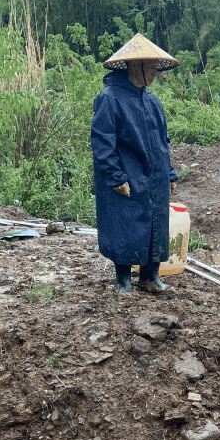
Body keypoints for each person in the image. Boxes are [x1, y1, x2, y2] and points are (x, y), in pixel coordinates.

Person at [91, 33, 180, 293]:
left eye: (156, 69)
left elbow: (163, 141)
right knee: (125, 223)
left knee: (155, 223)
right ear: (135, 65)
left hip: (155, 175)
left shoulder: (152, 101)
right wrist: (115, 176)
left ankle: (150, 277)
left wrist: (170, 174)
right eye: (151, 68)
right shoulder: (110, 97)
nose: (154, 75)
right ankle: (123, 280)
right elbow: (102, 141)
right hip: (126, 173)